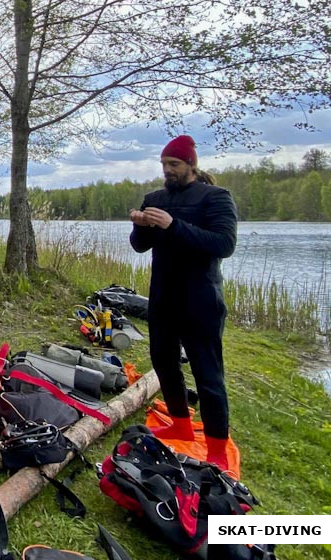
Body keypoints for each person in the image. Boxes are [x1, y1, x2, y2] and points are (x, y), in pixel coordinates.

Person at [128, 135, 238, 470]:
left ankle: (217, 448)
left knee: (208, 374)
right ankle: (180, 424)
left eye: (174, 164)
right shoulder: (155, 198)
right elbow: (139, 246)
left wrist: (174, 225)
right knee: (163, 363)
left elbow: (223, 244)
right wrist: (141, 226)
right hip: (163, 296)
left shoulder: (215, 198)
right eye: (164, 165)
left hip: (201, 298)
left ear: (191, 164)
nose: (168, 171)